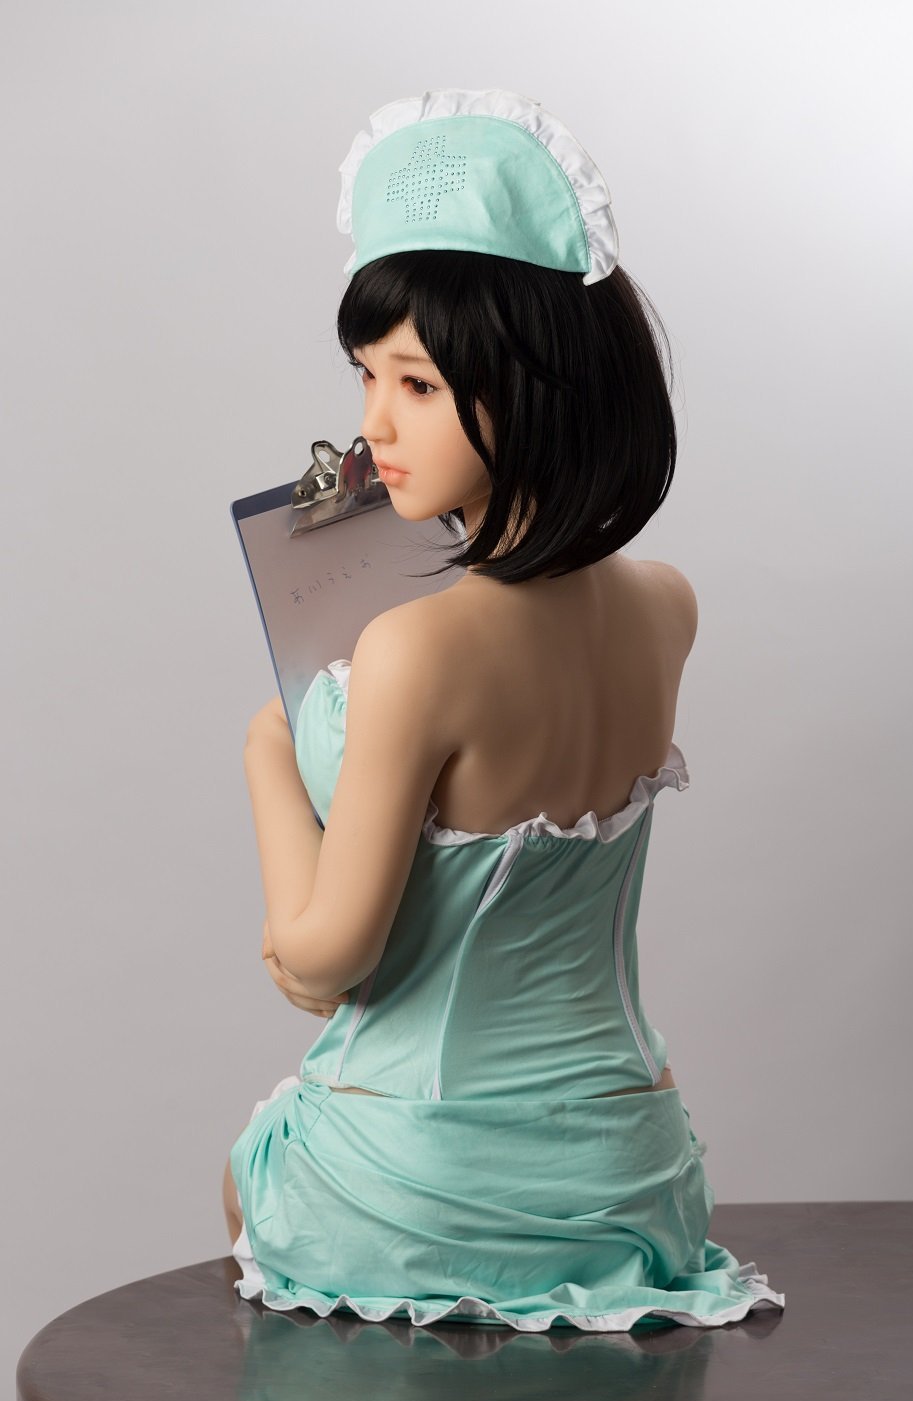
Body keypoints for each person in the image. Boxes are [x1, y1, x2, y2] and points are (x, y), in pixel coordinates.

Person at [223, 87, 786, 1332]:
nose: (371, 428)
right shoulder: (668, 606)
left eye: (418, 385)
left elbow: (325, 963)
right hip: (637, 1181)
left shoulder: (415, 649)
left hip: (417, 1184)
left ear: (538, 386)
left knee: (245, 1177)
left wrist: (269, 750)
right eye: (366, 376)